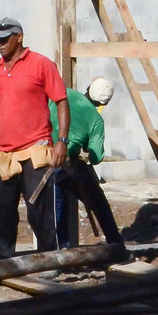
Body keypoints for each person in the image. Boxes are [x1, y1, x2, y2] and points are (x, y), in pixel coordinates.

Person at [0, 16, 69, 258]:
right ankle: (2, 260)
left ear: (19, 37)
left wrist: (61, 141)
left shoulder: (41, 64)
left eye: (4, 39)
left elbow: (61, 102)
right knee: (0, 211)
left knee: (40, 212)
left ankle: (49, 260)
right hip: (4, 153)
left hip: (36, 149)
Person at [50, 76, 122, 247]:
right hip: (67, 162)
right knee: (99, 203)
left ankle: (61, 248)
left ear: (88, 87)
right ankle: (116, 243)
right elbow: (96, 157)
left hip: (44, 155)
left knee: (57, 208)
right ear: (103, 104)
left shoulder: (65, 94)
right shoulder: (96, 120)